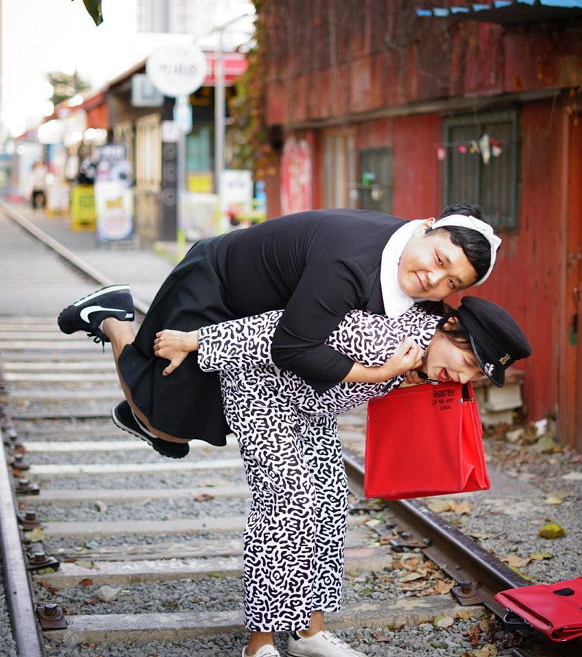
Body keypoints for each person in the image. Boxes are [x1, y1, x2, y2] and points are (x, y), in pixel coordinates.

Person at [149, 296, 531, 657]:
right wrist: (195, 341)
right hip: (261, 387)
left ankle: (308, 632)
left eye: (475, 374)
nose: (462, 376)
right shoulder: (384, 336)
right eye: (466, 359)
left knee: (330, 502)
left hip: (311, 404)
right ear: (449, 326)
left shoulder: (424, 356)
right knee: (289, 501)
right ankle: (259, 643)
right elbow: (279, 329)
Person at [57, 204, 501, 458]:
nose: (434, 280)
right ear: (425, 228)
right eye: (439, 260)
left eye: (452, 284)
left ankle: (146, 411)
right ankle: (110, 316)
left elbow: (430, 331)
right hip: (220, 281)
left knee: (186, 424)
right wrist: (376, 373)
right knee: (164, 423)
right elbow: (291, 347)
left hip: (266, 312)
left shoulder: (418, 281)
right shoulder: (349, 263)